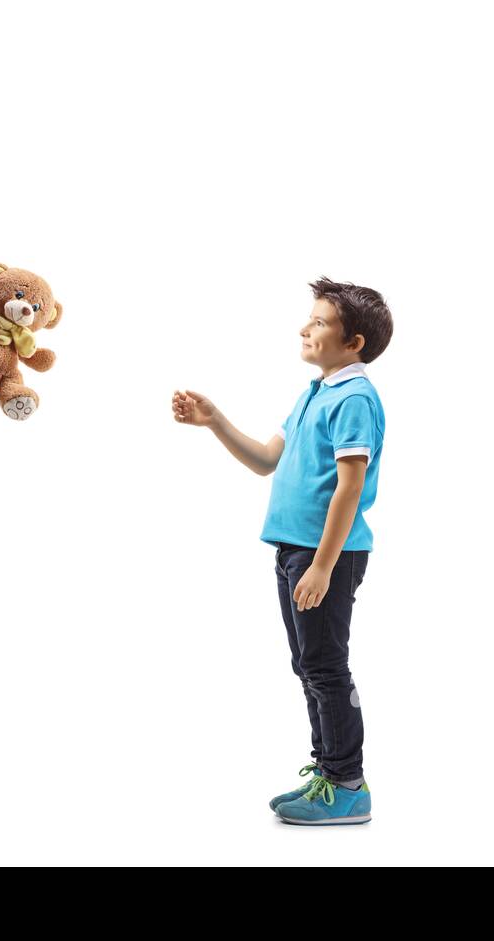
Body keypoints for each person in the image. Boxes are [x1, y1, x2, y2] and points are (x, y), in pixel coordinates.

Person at [172, 276, 393, 825]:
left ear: (355, 341)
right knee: (309, 665)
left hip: (327, 556)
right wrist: (215, 421)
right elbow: (267, 460)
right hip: (296, 552)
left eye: (319, 321)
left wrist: (322, 564)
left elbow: (348, 486)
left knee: (325, 666)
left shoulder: (356, 398)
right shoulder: (317, 392)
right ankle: (329, 774)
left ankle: (348, 784)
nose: (305, 327)